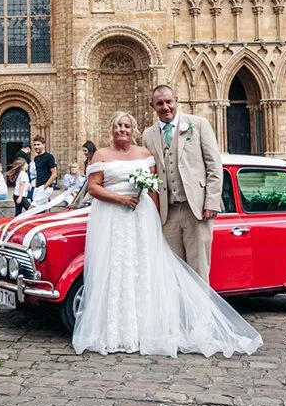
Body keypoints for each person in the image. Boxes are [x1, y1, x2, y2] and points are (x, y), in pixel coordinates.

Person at [72, 111, 262, 358]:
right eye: (118, 125)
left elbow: (153, 189)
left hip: (143, 217)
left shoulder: (145, 153)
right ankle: (116, 330)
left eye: (127, 125)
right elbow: (94, 186)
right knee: (116, 268)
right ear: (111, 129)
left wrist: (155, 221)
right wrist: (121, 199)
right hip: (113, 218)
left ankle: (179, 328)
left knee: (145, 269)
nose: (122, 129)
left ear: (133, 129)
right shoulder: (101, 155)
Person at [141, 85, 222, 282]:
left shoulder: (199, 124)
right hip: (166, 213)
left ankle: (200, 313)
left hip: (196, 210)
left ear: (176, 100)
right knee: (173, 273)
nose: (165, 107)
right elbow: (148, 173)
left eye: (169, 101)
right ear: (153, 106)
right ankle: (178, 313)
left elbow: (214, 165)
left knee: (199, 270)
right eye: (159, 103)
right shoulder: (148, 135)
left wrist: (211, 202)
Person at [30, 136, 57, 205]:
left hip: (45, 187)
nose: (36, 147)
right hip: (37, 186)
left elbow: (54, 174)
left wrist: (45, 187)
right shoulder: (36, 158)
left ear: (44, 145)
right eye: (34, 145)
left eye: (38, 144)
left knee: (31, 209)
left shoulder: (49, 157)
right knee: (44, 210)